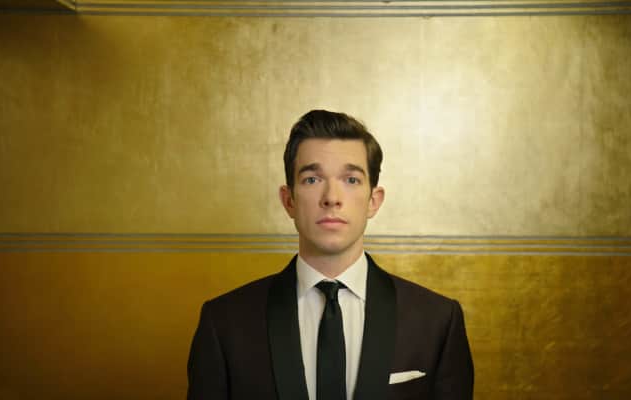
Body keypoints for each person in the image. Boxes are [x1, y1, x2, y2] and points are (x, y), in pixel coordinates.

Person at [187, 110, 473, 400]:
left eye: (351, 180)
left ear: (374, 201)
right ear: (289, 200)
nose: (332, 198)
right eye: (312, 179)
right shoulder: (224, 323)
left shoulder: (437, 320)